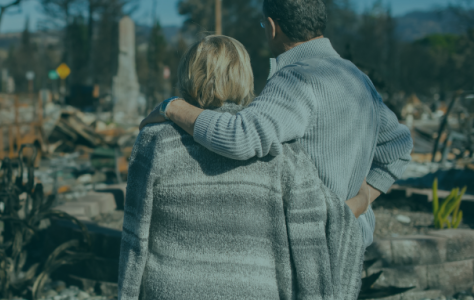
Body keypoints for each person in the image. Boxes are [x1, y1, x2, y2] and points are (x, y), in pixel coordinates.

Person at [139, 0, 413, 248]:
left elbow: (239, 137)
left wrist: (171, 106)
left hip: (313, 251)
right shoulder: (357, 78)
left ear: (272, 27)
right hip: (353, 243)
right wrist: (361, 201)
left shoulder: (297, 79)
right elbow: (399, 147)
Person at [119, 35, 367, 300]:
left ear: (186, 76)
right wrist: (363, 198)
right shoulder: (281, 151)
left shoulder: (154, 141)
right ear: (245, 77)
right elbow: (316, 224)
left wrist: (128, 294)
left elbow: (135, 236)